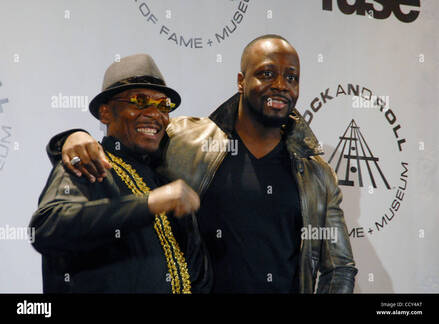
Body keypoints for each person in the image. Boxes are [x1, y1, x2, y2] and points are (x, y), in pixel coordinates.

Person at [46, 35, 357, 293]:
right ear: (240, 80)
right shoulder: (185, 140)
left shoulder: (317, 174)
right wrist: (71, 138)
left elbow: (339, 267)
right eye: (266, 73)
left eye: (291, 77)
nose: (280, 84)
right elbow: (123, 144)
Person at [30, 54, 211, 293]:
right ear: (105, 113)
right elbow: (47, 228)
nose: (155, 113)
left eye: (163, 105)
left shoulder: (164, 179)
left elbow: (196, 276)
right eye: (140, 101)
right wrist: (148, 204)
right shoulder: (87, 164)